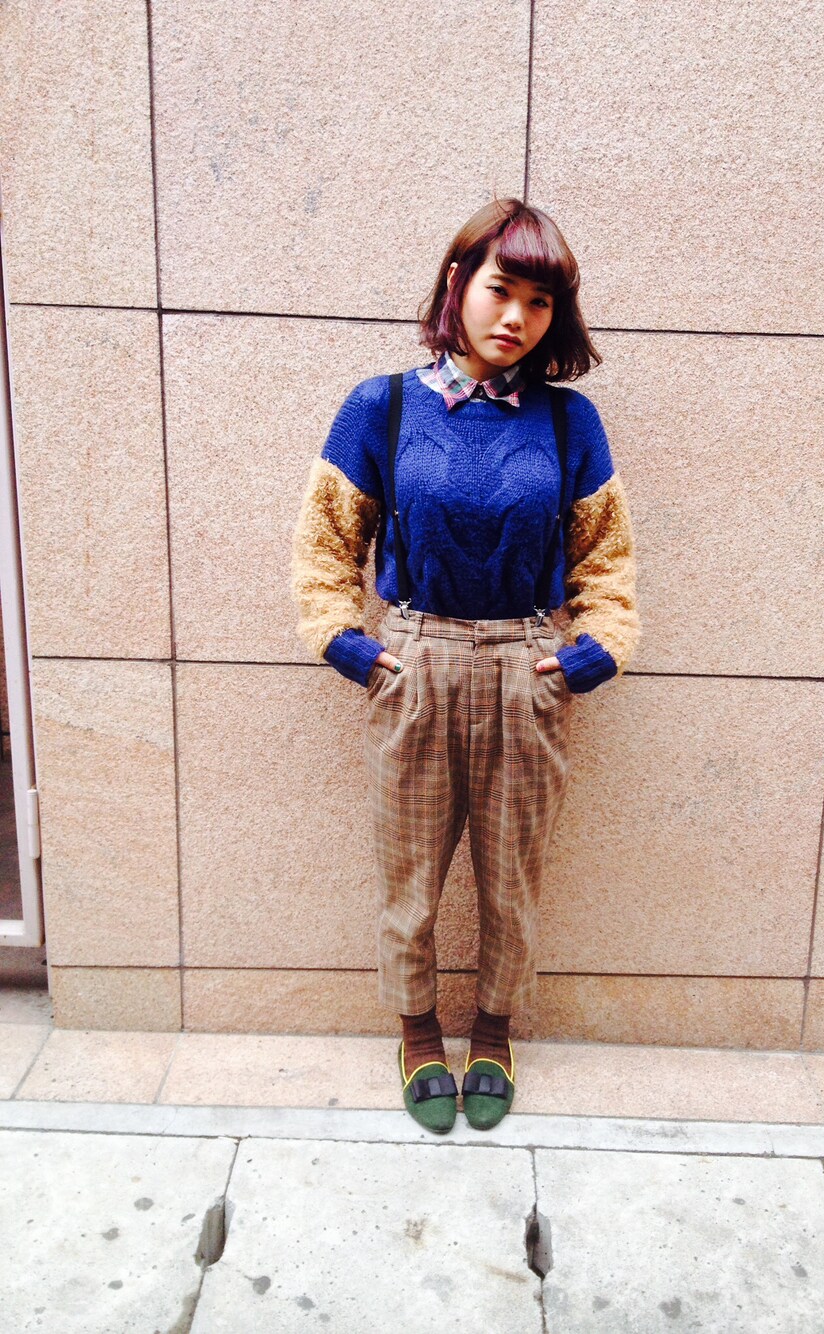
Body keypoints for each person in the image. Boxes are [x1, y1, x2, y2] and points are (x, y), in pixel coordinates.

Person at [290, 196, 640, 1133]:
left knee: (510, 881)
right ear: (458, 282)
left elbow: (606, 561)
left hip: (527, 669)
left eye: (539, 302)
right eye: (501, 289)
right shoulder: (381, 407)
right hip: (414, 662)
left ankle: (492, 1030)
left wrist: (593, 652)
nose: (516, 317)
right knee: (409, 880)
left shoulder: (568, 423)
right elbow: (325, 548)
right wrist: (352, 646)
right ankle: (416, 1033)